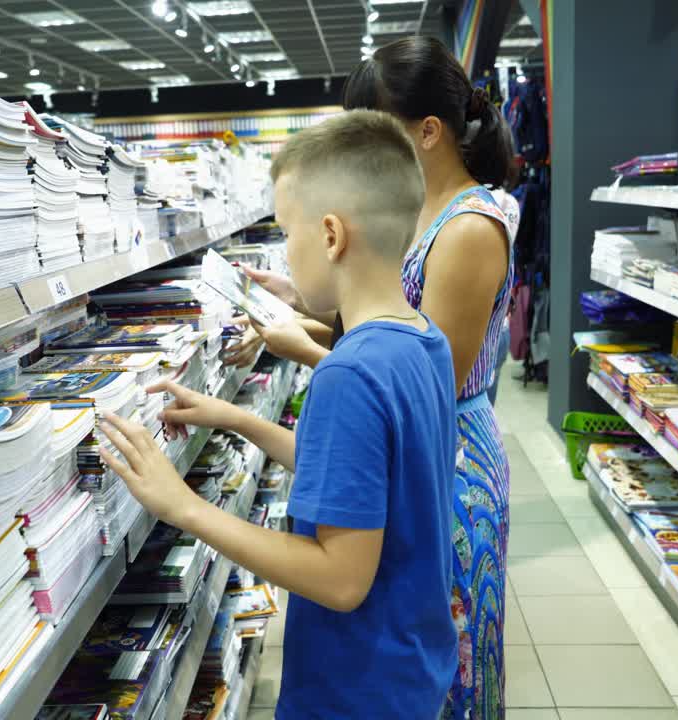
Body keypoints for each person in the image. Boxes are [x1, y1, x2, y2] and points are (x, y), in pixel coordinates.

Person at [99, 110, 459, 719]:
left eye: (286, 233)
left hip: (353, 689)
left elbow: (341, 580)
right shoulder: (423, 339)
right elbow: (364, 477)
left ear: (330, 235)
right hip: (411, 665)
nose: (285, 254)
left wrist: (182, 505)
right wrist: (237, 419)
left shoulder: (349, 372)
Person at [226, 36, 518, 720]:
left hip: (449, 454)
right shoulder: (417, 218)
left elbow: (413, 373)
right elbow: (386, 322)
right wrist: (302, 296)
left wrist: (303, 343)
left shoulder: (469, 227)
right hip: (416, 433)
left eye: (376, 125)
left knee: (440, 658)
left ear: (428, 130)